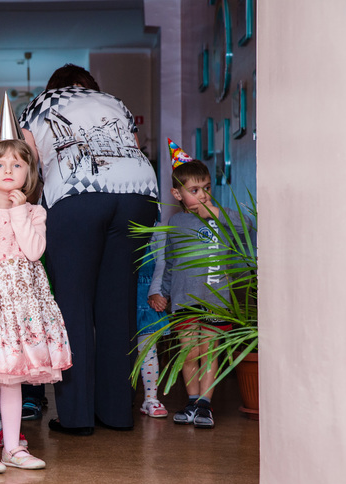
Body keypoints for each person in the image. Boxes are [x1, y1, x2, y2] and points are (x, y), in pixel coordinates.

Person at [19, 64, 158, 433]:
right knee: (118, 304)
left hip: (77, 195)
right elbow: (133, 148)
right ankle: (117, 412)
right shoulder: (115, 102)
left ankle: (77, 416)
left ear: (54, 87)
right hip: (139, 195)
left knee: (73, 306)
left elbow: (26, 164)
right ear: (90, 87)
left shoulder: (39, 104)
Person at [0, 128, 72, 474]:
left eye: (17, 165)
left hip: (23, 312)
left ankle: (13, 447)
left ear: (28, 173)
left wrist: (19, 213)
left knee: (13, 379)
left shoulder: (35, 214)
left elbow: (34, 252)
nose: (8, 170)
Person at [161, 141, 251, 429]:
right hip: (184, 300)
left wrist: (218, 214)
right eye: (194, 190)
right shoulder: (176, 223)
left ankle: (205, 405)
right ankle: (191, 400)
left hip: (215, 300)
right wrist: (163, 292)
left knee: (209, 351)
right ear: (178, 194)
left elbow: (247, 225)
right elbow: (170, 262)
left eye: (207, 188)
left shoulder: (222, 217)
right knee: (188, 353)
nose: (203, 195)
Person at [136, 231, 169, 418]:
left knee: (148, 350)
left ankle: (150, 399)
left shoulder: (156, 231)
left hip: (147, 298)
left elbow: (163, 263)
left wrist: (157, 291)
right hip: (120, 296)